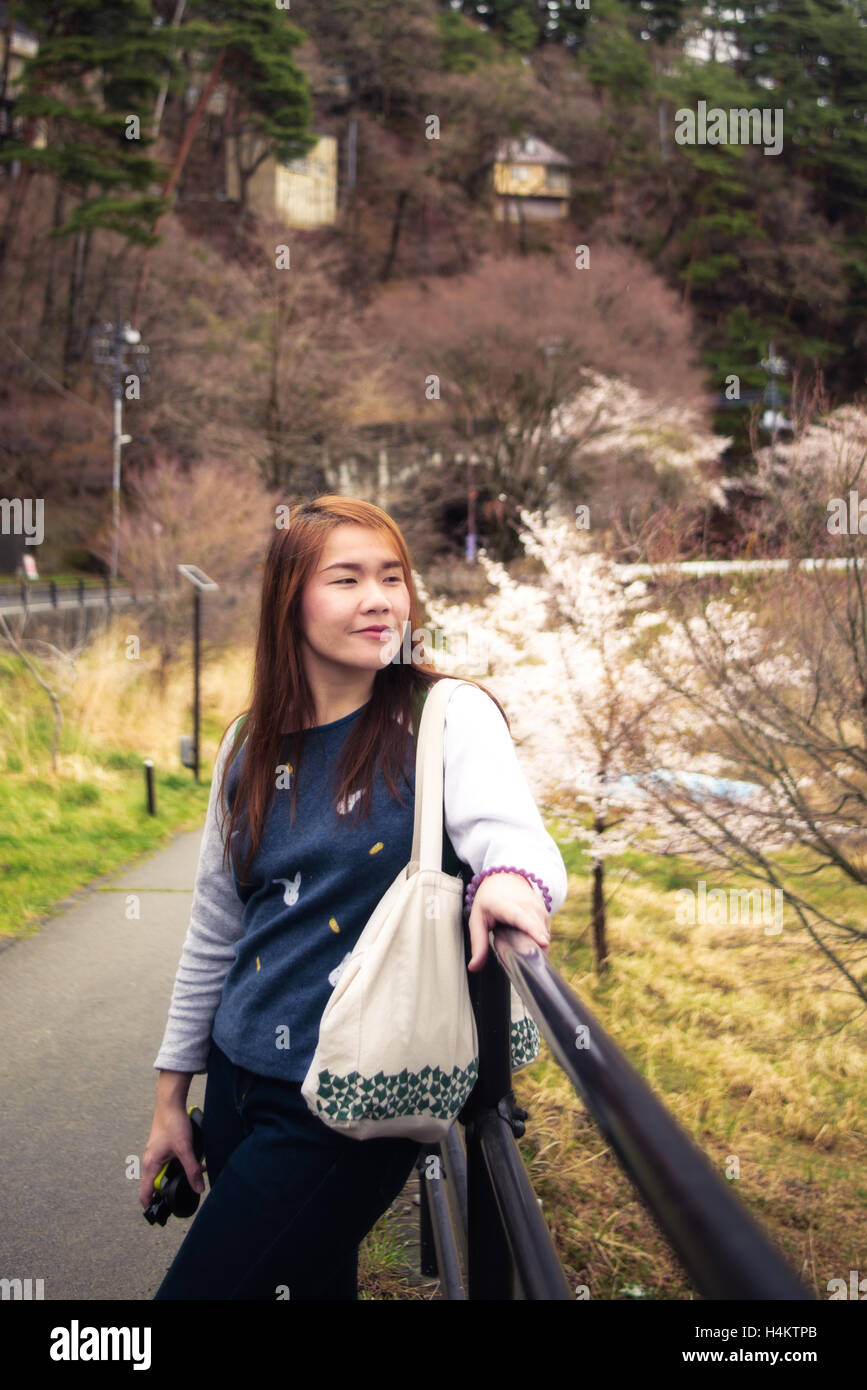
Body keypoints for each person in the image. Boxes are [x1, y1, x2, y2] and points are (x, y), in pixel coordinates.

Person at [139, 495, 568, 1300]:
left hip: (348, 1104)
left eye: (392, 576)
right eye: (346, 579)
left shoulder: (442, 717)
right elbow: (216, 926)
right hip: (237, 1079)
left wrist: (510, 881)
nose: (379, 599)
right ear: (289, 600)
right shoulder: (246, 743)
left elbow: (512, 836)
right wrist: (173, 1095)